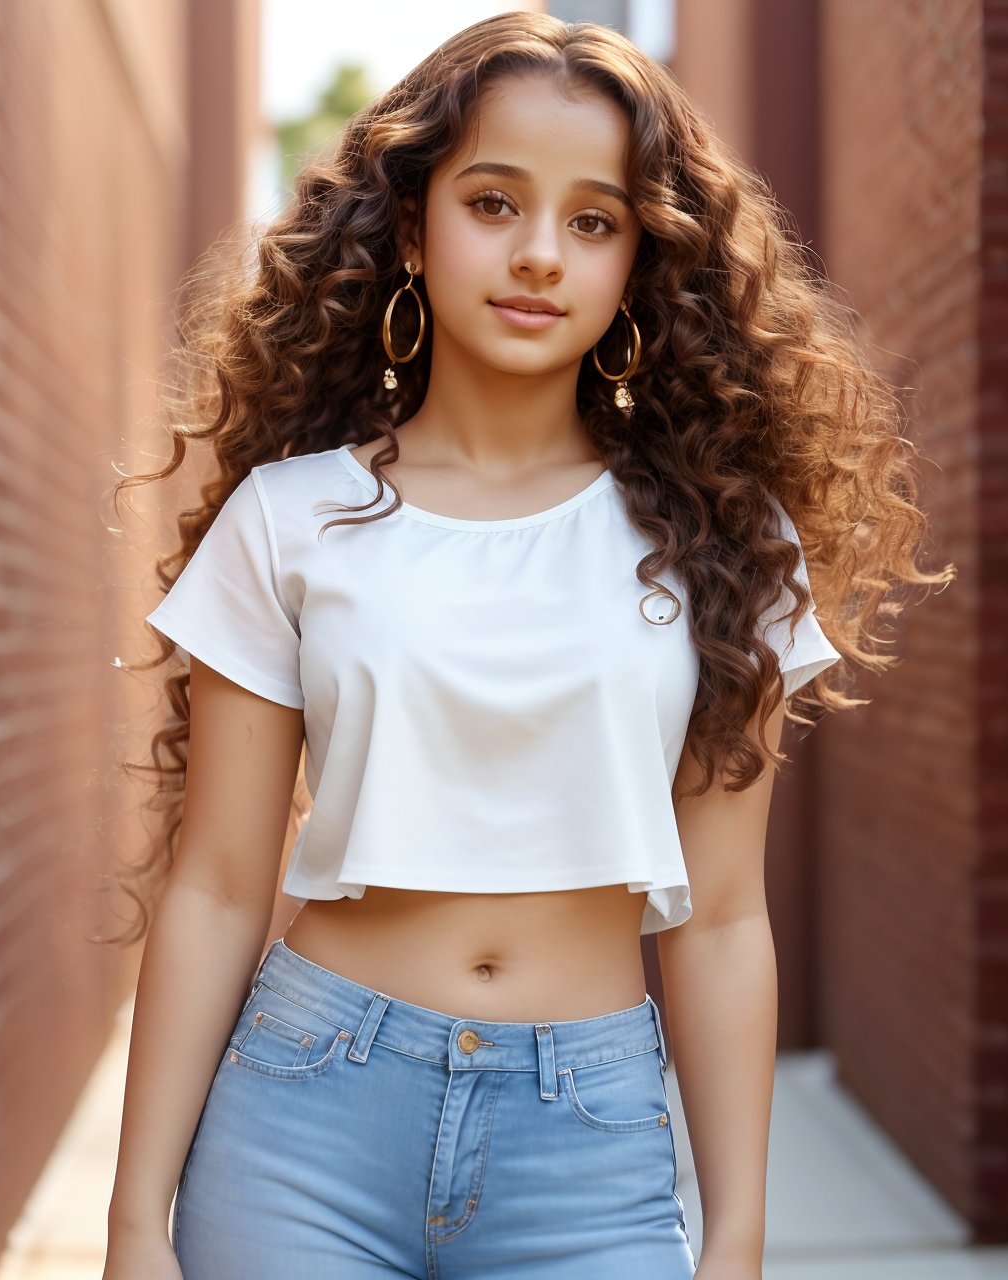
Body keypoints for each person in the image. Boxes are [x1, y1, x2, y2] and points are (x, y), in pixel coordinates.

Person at [101, 13, 954, 1280]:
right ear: (410, 222)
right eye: (493, 202)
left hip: (588, 1137)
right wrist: (133, 1222)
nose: (539, 255)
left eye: (593, 220)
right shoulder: (289, 519)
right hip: (305, 1116)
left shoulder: (722, 539)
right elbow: (220, 883)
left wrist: (737, 1241)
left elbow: (718, 917)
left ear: (638, 261)